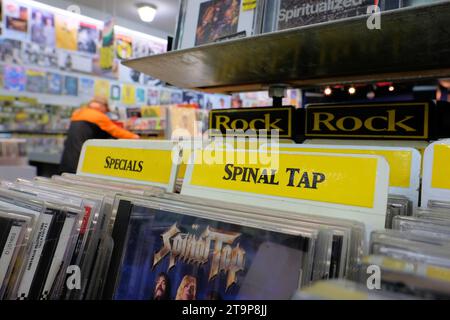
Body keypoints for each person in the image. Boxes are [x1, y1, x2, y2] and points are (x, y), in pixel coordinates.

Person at [59, 97, 139, 173]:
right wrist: (134, 137)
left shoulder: (79, 113)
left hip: (68, 160)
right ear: (102, 106)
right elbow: (115, 131)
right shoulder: (98, 116)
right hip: (80, 163)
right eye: (106, 110)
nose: (106, 113)